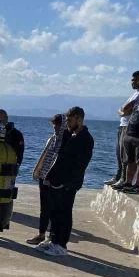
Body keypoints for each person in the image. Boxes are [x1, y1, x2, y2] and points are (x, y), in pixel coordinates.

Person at [40, 107, 94, 257]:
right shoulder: (71, 135)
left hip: (69, 184)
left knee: (65, 213)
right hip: (57, 181)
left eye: (70, 120)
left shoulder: (85, 138)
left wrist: (68, 183)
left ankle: (61, 245)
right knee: (55, 212)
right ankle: (53, 240)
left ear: (79, 119)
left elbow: (81, 165)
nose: (68, 124)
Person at [0, 109, 24, 242]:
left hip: (7, 175)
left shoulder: (15, 134)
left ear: (6, 119)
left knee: (5, 200)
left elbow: (19, 154)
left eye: (0, 119)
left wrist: (15, 168)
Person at [26, 114, 66, 245]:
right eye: (54, 125)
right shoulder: (52, 139)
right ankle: (41, 234)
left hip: (54, 180)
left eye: (58, 125)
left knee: (54, 209)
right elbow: (45, 156)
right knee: (44, 208)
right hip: (43, 177)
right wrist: (38, 172)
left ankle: (52, 237)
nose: (55, 128)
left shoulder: (66, 141)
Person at [107, 70, 139, 187]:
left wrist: (122, 111)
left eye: (135, 80)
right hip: (122, 125)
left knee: (125, 155)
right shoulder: (134, 94)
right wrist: (122, 111)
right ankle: (118, 176)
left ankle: (124, 179)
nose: (132, 82)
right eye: (132, 79)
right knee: (119, 154)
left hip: (128, 126)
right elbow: (122, 110)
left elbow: (124, 110)